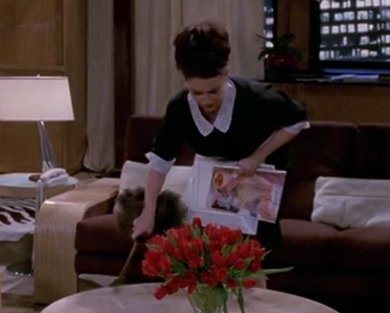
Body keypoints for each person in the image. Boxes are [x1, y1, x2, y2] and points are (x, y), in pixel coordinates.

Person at [132, 20, 309, 254]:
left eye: (213, 91)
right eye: (197, 92)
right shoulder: (180, 108)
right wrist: (148, 212)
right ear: (185, 81)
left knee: (252, 259)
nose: (206, 100)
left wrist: (257, 157)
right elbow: (161, 160)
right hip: (208, 189)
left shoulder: (255, 97)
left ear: (226, 73)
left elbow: (297, 120)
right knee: (204, 257)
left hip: (253, 188)